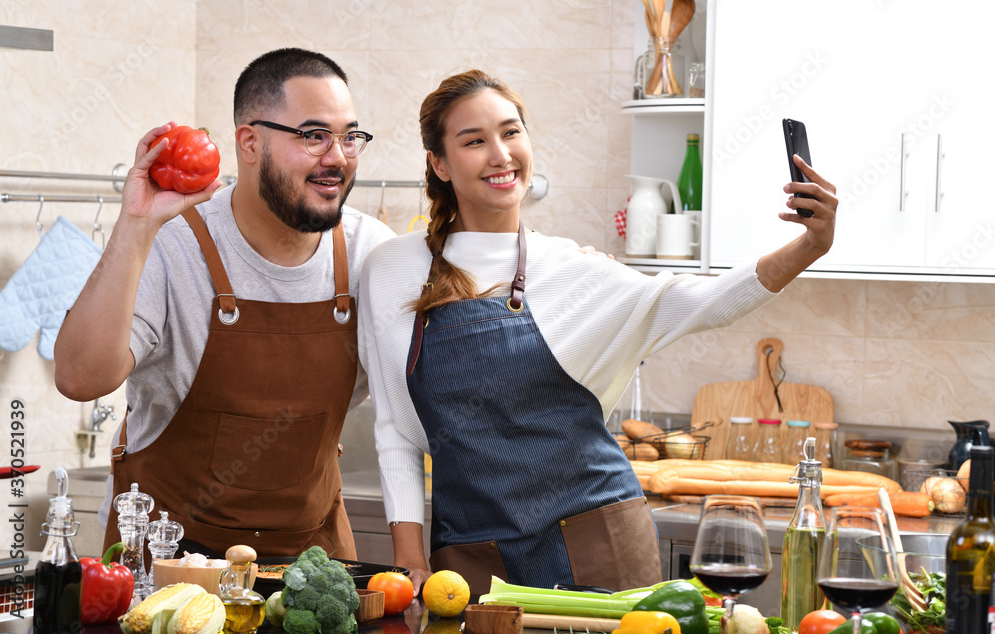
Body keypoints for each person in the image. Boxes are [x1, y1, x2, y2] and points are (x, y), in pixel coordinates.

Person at [357, 70, 838, 593]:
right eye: (474, 141)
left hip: (600, 542)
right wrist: (409, 559)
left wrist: (809, 246)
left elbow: (702, 302)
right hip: (470, 553)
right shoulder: (391, 270)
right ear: (440, 163)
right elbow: (396, 431)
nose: (500, 154)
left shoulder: (573, 270)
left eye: (511, 132)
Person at [54, 48, 393, 559]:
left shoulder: (374, 253)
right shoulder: (170, 242)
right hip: (163, 563)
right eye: (314, 135)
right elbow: (80, 378)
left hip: (309, 562)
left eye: (349, 137)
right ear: (250, 142)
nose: (338, 158)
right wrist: (135, 227)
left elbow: (416, 409)